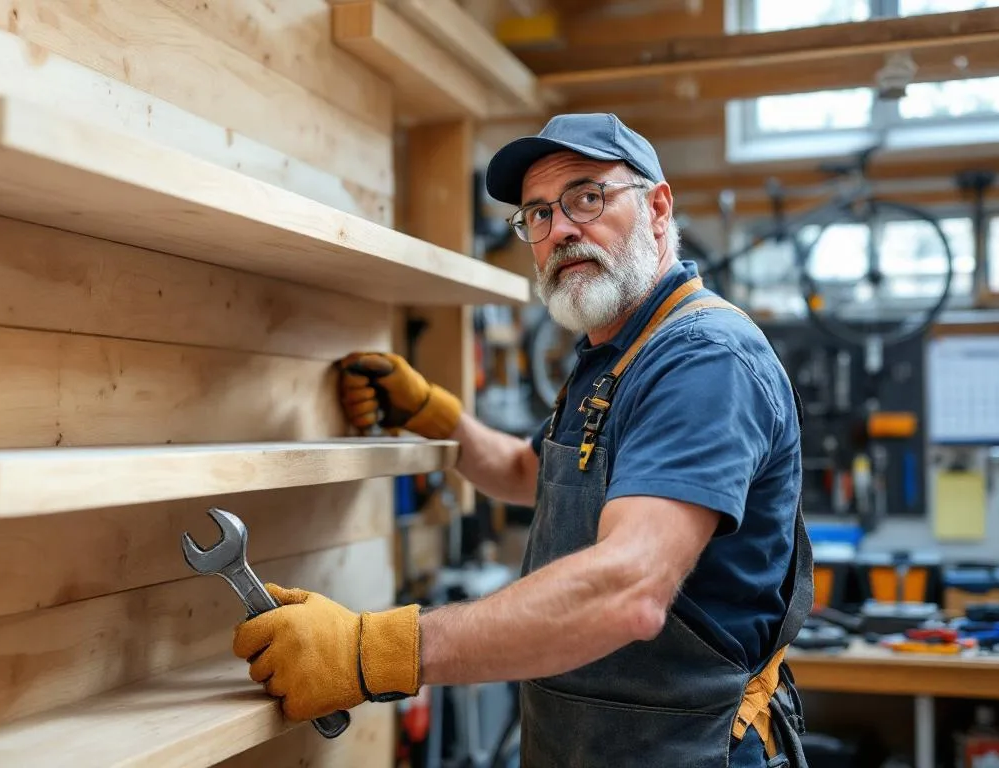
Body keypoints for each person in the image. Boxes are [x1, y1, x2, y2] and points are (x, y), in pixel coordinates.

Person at [229, 113, 814, 768]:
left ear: (657, 206)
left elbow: (629, 589)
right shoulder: (612, 355)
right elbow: (528, 472)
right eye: (537, 215)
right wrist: (434, 415)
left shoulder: (704, 360)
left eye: (587, 197)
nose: (560, 229)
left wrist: (371, 652)